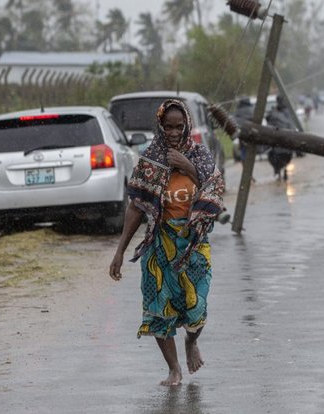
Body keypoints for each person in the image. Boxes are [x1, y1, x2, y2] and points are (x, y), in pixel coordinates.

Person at [109, 99, 225, 387]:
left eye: (179, 126)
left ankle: (191, 341)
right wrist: (120, 250)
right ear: (160, 126)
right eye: (168, 126)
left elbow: (215, 188)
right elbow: (136, 206)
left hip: (193, 244)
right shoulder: (150, 159)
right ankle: (174, 369)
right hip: (159, 243)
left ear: (186, 126)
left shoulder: (198, 155)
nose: (173, 132)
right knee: (158, 309)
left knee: (196, 310)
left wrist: (187, 168)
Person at [265, 95, 295, 181]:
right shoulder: (288, 113)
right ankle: (282, 169)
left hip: (277, 147)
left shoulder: (274, 113)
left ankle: (278, 171)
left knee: (274, 158)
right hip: (286, 146)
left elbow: (269, 126)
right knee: (284, 158)